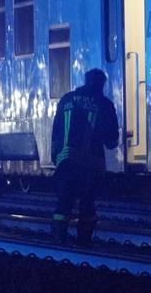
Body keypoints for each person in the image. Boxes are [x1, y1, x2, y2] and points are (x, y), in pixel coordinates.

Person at [50, 68, 120, 246]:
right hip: (91, 165)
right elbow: (111, 141)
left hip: (65, 161)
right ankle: (84, 242)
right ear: (101, 83)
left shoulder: (66, 99)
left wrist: (56, 157)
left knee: (63, 203)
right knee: (87, 205)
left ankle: (59, 241)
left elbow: (56, 130)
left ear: (85, 80)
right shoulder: (104, 104)